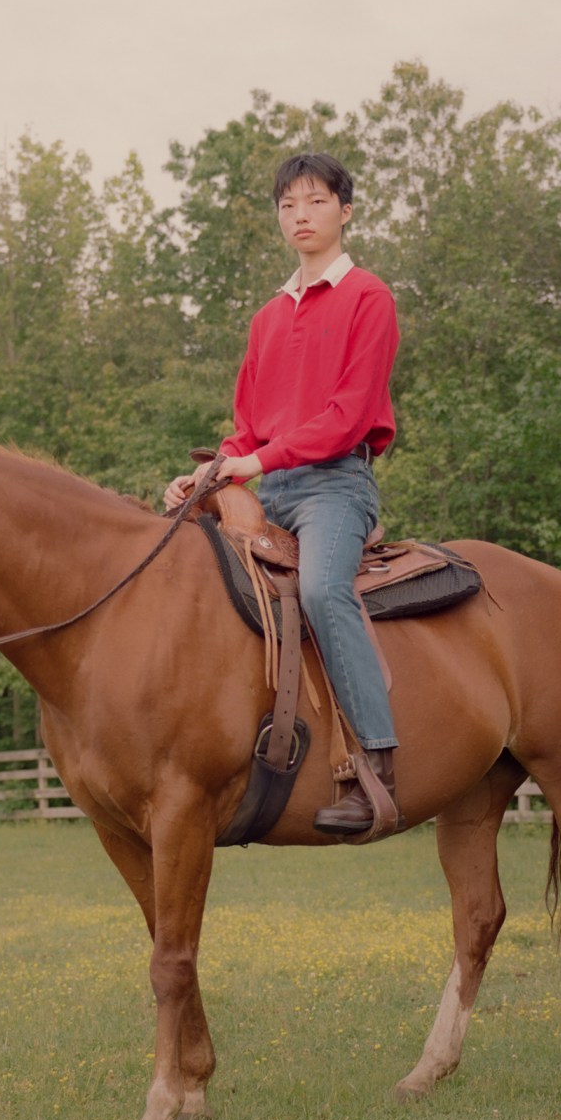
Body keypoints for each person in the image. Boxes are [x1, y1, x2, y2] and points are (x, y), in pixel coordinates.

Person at [164, 152, 401, 837]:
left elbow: (347, 416)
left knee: (325, 590)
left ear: (345, 210)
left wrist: (252, 461)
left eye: (316, 201)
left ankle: (376, 770)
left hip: (335, 484)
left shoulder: (368, 297)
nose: (301, 215)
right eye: (288, 205)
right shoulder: (267, 318)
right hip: (273, 486)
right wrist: (212, 473)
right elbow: (246, 427)